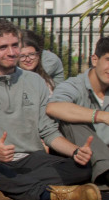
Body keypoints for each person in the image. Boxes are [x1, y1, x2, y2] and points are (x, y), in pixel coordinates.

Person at [0, 19, 99, 200]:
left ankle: (8, 187)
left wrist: (75, 151)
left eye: (15, 45)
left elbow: (48, 131)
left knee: (82, 168)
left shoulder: (35, 81)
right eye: (3, 47)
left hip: (34, 159)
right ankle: (50, 194)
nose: (11, 52)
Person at [46, 36, 109, 189]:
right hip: (81, 154)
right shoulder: (74, 86)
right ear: (95, 60)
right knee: (70, 118)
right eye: (108, 60)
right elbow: (53, 107)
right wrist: (100, 116)